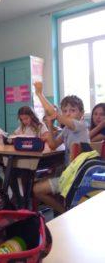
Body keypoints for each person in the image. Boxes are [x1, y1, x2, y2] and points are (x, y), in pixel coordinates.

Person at [33, 81, 90, 213]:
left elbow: (55, 114)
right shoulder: (66, 130)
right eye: (65, 111)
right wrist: (49, 126)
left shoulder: (82, 125)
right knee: (37, 188)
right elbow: (53, 145)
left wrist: (40, 94)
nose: (68, 113)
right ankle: (64, 212)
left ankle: (64, 212)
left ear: (81, 114)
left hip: (77, 177)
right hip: (69, 175)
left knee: (37, 190)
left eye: (72, 110)